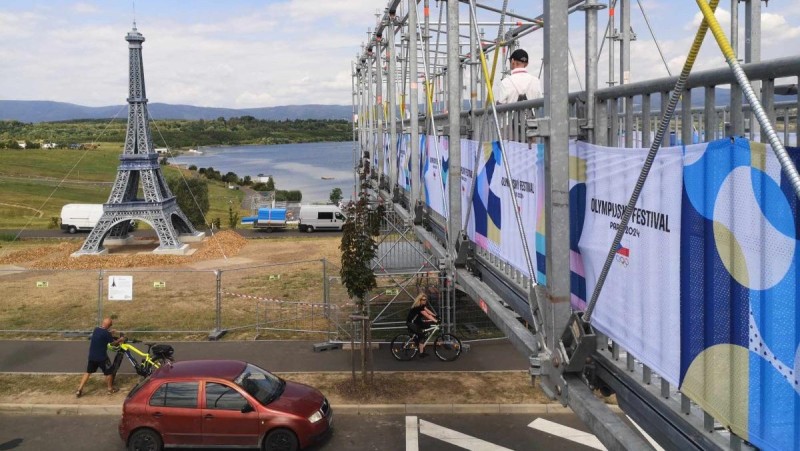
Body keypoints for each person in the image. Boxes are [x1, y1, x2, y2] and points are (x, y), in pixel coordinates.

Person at [75, 317, 126, 397]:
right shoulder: (107, 334)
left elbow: (102, 333)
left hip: (92, 356)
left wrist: (109, 332)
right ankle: (110, 389)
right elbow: (113, 343)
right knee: (109, 372)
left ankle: (79, 390)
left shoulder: (96, 329)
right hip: (102, 357)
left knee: (88, 372)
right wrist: (120, 339)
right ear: (109, 326)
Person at [406, 293, 438, 357]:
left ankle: (419, 341)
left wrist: (435, 316)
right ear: (419, 300)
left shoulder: (422, 305)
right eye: (423, 300)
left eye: (425, 299)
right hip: (411, 323)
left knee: (428, 326)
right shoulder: (418, 307)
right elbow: (427, 315)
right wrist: (436, 320)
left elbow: (427, 310)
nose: (424, 301)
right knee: (422, 336)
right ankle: (421, 353)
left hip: (417, 322)